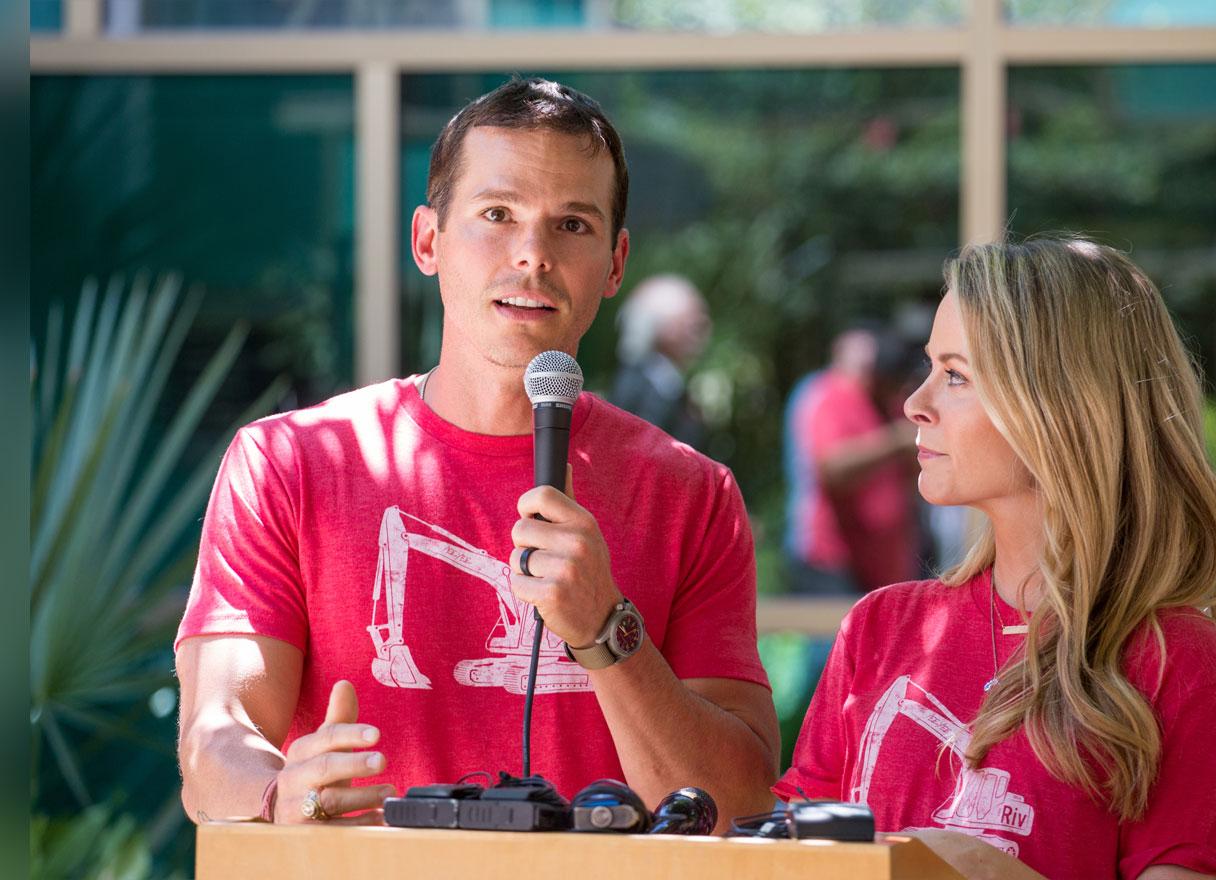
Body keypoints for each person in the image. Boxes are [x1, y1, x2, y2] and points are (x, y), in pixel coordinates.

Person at [174, 77, 778, 830]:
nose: (532, 256)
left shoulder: (690, 492)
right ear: (428, 241)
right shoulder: (289, 462)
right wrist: (278, 795)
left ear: (616, 263)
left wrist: (607, 629)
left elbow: (743, 802)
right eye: (497, 215)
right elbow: (214, 748)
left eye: (573, 226)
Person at [773, 239, 1216, 879]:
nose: (914, 404)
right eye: (929, 367)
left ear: (1058, 406)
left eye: (955, 374)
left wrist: (984, 869)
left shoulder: (1179, 664)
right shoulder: (880, 629)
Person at [783, 324, 921, 594]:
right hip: (831, 560)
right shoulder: (831, 394)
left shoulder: (889, 402)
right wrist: (894, 441)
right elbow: (831, 469)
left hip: (882, 562)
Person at [608, 273, 712, 449]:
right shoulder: (636, 389)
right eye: (693, 323)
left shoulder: (667, 385)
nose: (703, 330)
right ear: (661, 326)